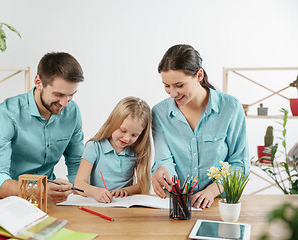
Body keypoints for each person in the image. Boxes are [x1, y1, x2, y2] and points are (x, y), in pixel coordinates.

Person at [151, 44, 250, 209]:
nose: (172, 93)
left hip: (219, 204)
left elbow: (240, 163)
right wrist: (161, 170)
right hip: (178, 204)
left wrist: (211, 191)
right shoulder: (160, 113)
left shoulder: (230, 107)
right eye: (167, 85)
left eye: (179, 85)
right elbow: (164, 159)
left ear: (199, 75)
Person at [0, 52, 85, 203]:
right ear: (38, 82)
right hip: (7, 200)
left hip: (48, 201)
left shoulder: (72, 111)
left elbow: (76, 162)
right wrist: (36, 191)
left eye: (71, 95)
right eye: (59, 94)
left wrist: (78, 196)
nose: (65, 103)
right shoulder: (6, 113)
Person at [74, 97, 151, 203]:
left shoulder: (137, 151)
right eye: (123, 130)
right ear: (113, 123)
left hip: (124, 207)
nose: (126, 138)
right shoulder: (94, 147)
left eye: (134, 135)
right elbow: (79, 183)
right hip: (98, 205)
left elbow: (143, 185)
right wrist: (96, 192)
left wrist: (125, 190)